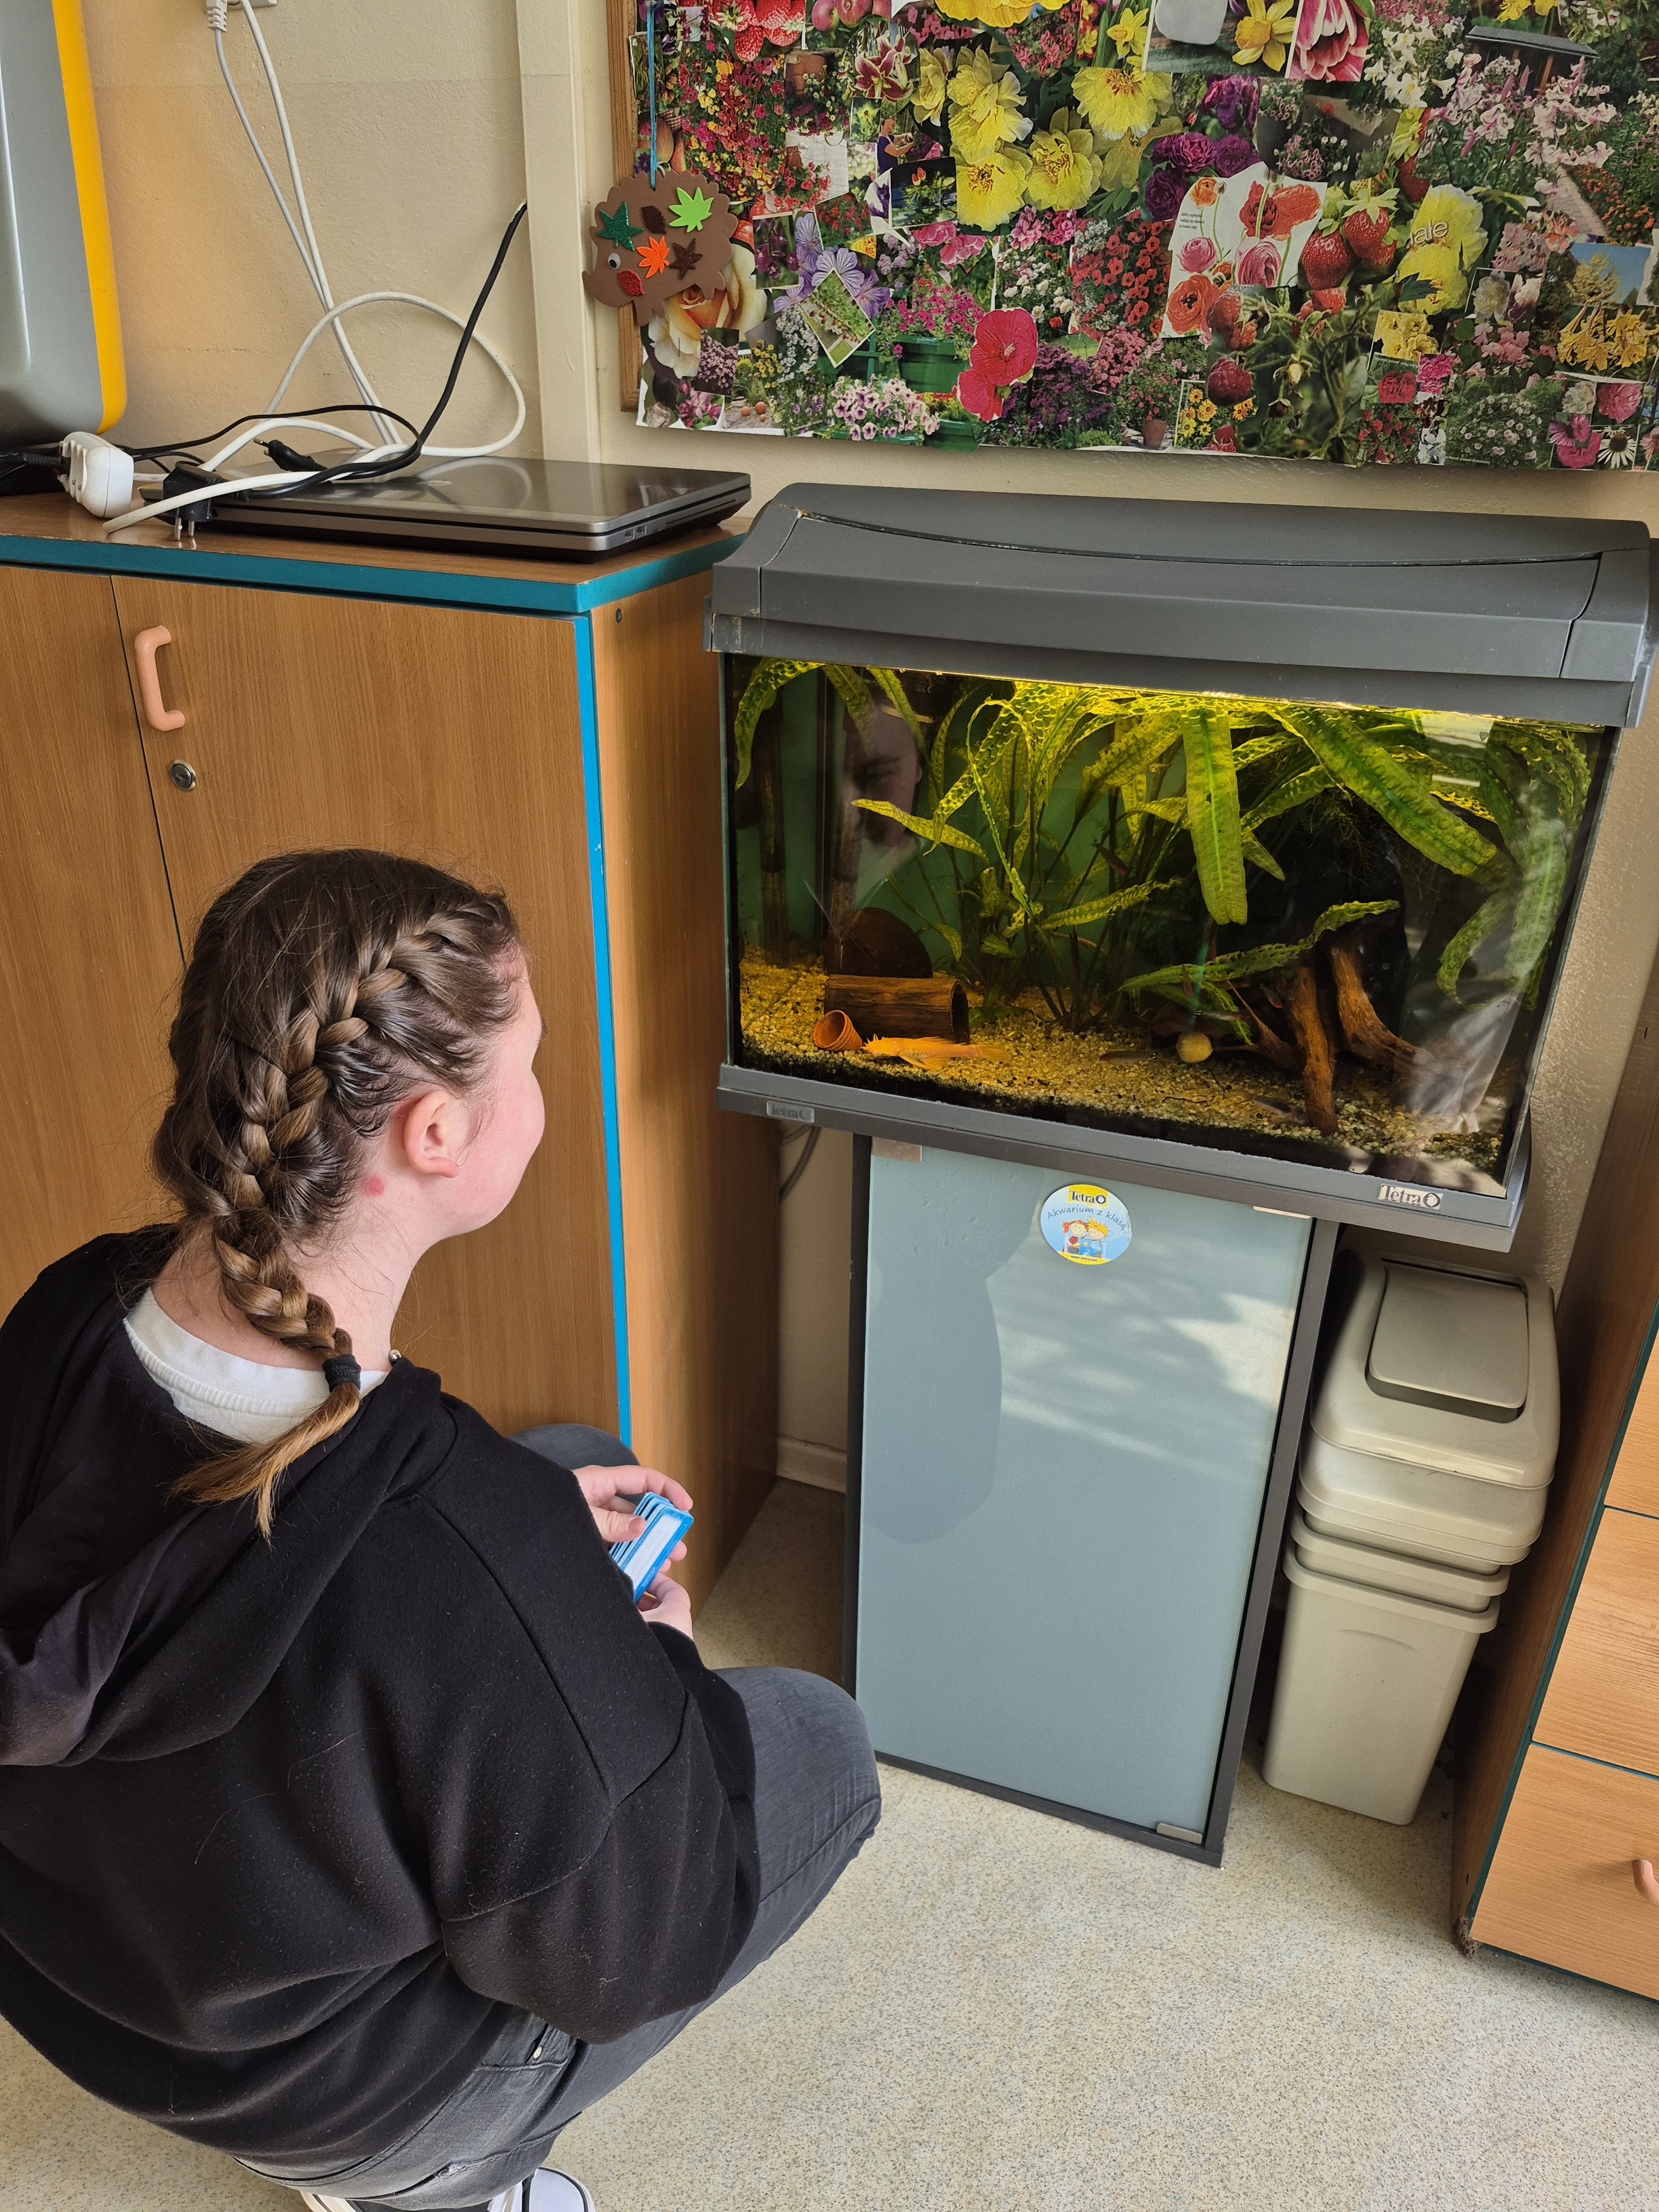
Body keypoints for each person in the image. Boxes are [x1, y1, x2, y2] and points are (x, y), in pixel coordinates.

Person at [0, 851, 880, 2212]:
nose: (542, 1091)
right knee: (820, 1743)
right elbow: (639, 1950)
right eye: (531, 1062)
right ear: (432, 1133)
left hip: (78, 1978)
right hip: (327, 2084)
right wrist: (664, 1664)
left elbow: (295, 1563)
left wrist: (524, 1534)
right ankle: (435, 2182)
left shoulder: (67, 1307)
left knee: (566, 1459)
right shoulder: (460, 1543)